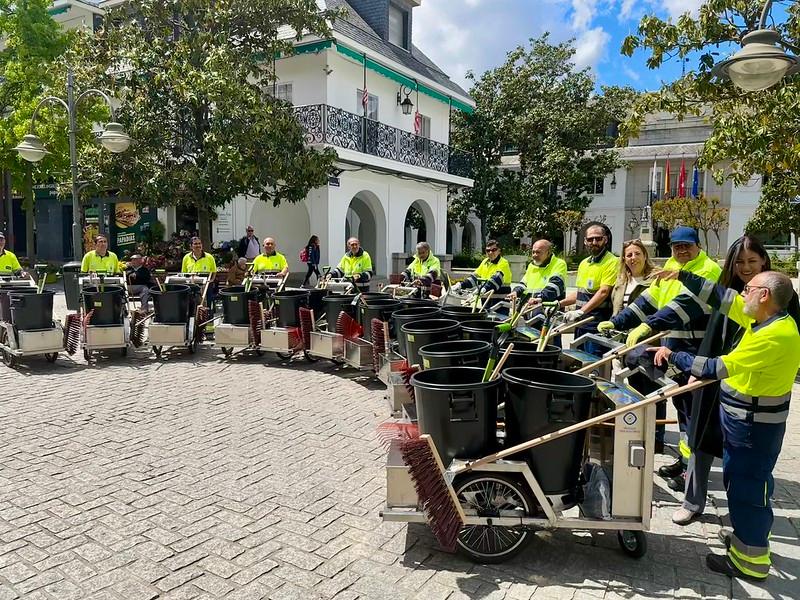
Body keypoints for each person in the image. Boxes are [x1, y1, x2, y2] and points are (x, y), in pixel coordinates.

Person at [649, 270, 800, 581]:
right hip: (744, 422)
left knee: (748, 489)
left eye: (748, 289)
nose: (742, 293)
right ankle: (747, 541)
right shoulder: (765, 320)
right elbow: (723, 299)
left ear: (765, 296)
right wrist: (683, 276)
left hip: (753, 427)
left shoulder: (775, 335)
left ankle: (749, 561)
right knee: (745, 486)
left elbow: (718, 367)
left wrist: (673, 355)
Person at [600, 226, 722, 488]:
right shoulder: (670, 265)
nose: (681, 250)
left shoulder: (707, 269)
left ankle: (693, 474)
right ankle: (684, 459)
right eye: (677, 246)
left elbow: (684, 306)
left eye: (686, 246)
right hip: (675, 348)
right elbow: (648, 300)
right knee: (682, 407)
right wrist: (618, 322)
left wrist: (649, 325)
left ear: (698, 245)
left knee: (696, 412)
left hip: (697, 349)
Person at [560, 223, 617, 356]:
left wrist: (580, 311)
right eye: (590, 239)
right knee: (579, 361)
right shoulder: (584, 263)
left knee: (594, 367)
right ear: (585, 241)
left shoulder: (612, 261)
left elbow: (604, 292)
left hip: (596, 325)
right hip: (581, 324)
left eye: (598, 238)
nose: (594, 242)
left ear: (606, 239)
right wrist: (560, 304)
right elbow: (580, 293)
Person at [509, 239, 568, 305]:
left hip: (548, 309)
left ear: (548, 253)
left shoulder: (559, 264)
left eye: (538, 252)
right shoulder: (531, 265)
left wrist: (540, 298)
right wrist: (515, 292)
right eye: (533, 252)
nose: (534, 255)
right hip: (528, 308)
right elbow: (524, 283)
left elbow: (555, 286)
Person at [610, 239, 657, 316]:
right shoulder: (620, 282)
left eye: (637, 254)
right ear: (624, 259)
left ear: (645, 256)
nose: (633, 258)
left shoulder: (656, 279)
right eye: (629, 255)